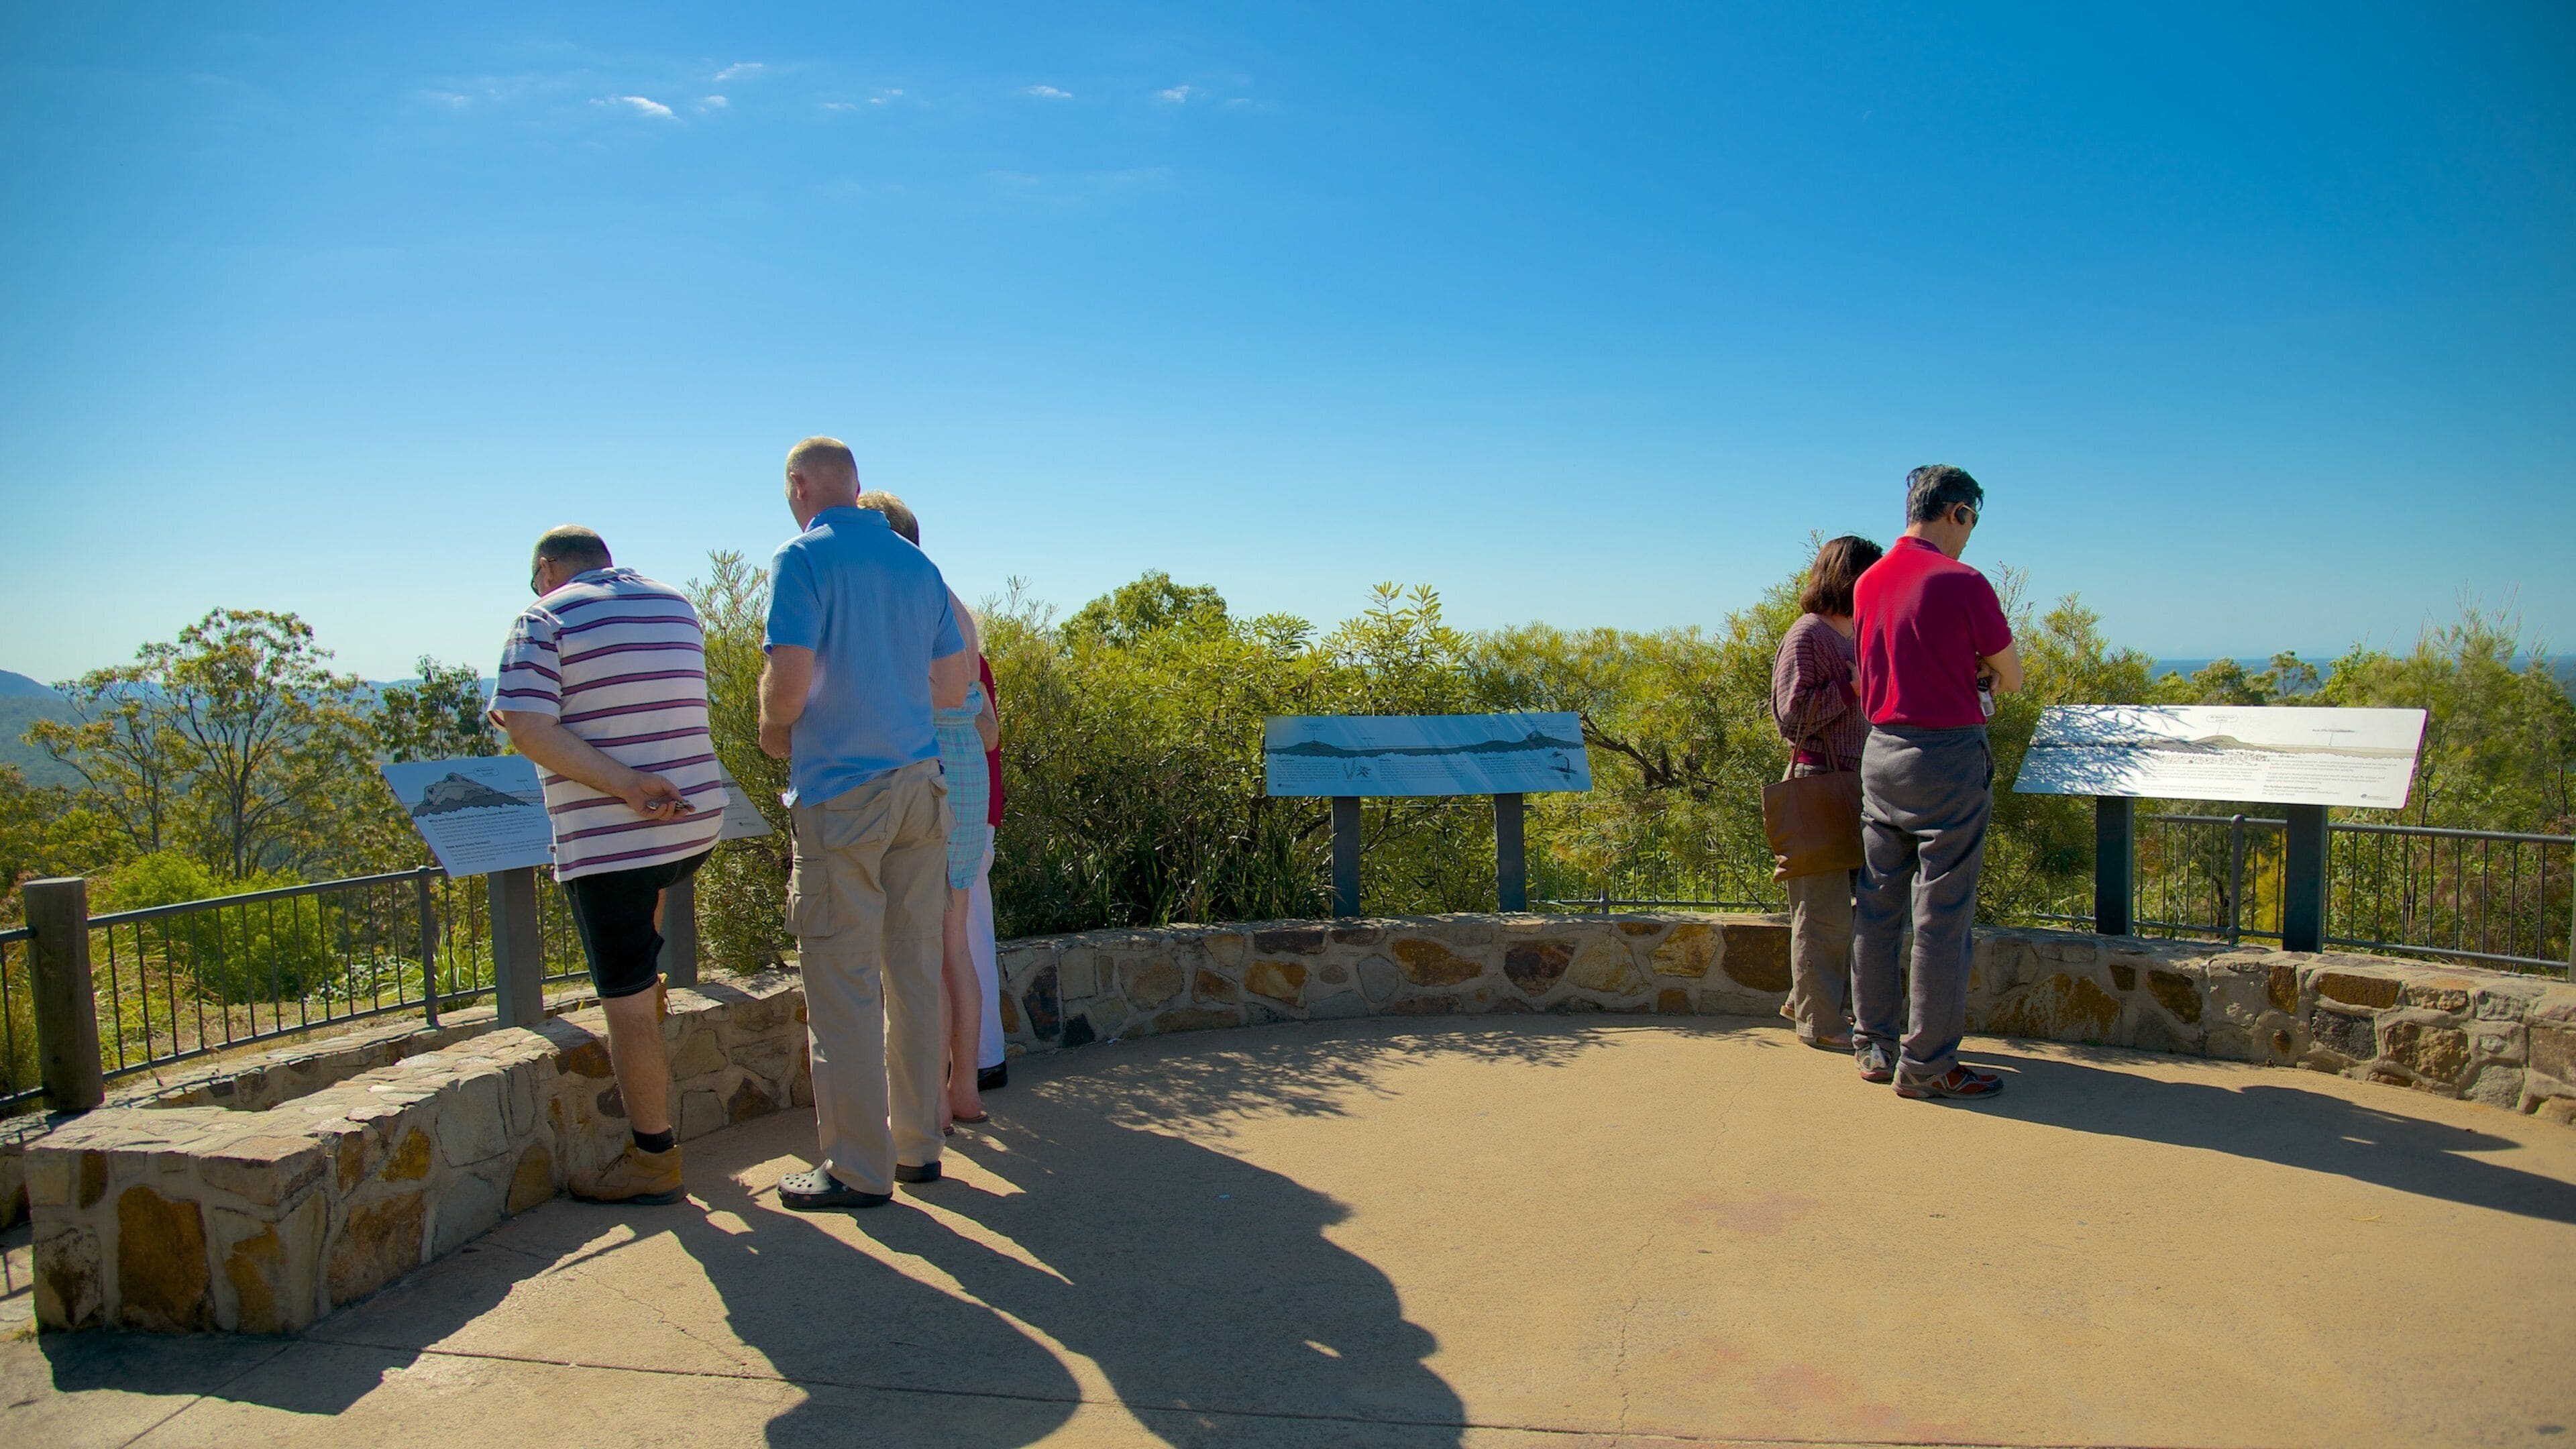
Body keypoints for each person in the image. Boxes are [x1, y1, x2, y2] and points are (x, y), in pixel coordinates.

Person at [759, 439, 973, 1211]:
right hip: (920, 790)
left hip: (842, 796)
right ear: (856, 485)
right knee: (913, 973)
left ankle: (856, 1167)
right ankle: (919, 1148)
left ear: (799, 485)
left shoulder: (801, 558)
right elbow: (952, 686)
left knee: (843, 985)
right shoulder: (917, 566)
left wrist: (772, 719)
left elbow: (788, 689)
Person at [490, 525, 724, 1203]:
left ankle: (653, 1158)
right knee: (644, 949)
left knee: (624, 1003)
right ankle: (650, 995)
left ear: (547, 569)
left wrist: (625, 784)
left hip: (616, 840)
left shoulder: (543, 617)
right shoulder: (674, 603)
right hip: (696, 824)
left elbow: (525, 726)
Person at [1849, 466, 2023, 1100]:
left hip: (1881, 752)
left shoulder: (1868, 581)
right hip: (1947, 758)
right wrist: (1983, 670)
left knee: (1877, 903)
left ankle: (1874, 1043)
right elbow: (2012, 675)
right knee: (1942, 915)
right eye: (1972, 521)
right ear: (1958, 512)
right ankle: (1928, 1065)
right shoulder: (1962, 581)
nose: (1970, 535)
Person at [851, 490, 998, 1130]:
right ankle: (963, 1091)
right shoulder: (953, 601)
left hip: (925, 768)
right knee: (954, 948)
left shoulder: (901, 595)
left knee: (919, 953)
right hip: (964, 770)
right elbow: (984, 720)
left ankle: (931, 1100)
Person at [1769, 534, 1883, 1051]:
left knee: (1851, 911)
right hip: (1818, 783)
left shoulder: (1853, 635)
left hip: (1855, 786)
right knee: (1822, 914)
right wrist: (1850, 689)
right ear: (1850, 576)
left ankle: (1807, 1000)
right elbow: (1791, 717)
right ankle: (1821, 1023)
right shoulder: (1809, 633)